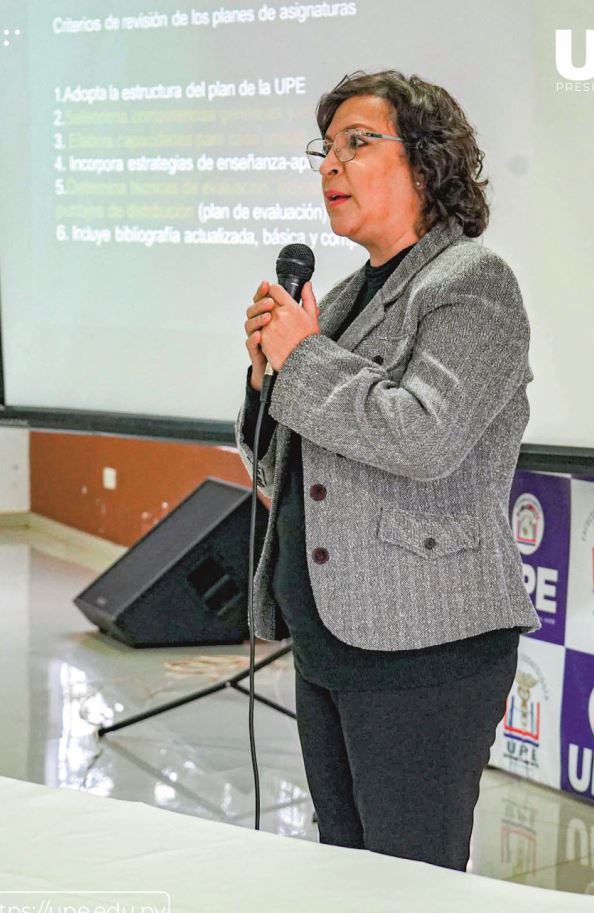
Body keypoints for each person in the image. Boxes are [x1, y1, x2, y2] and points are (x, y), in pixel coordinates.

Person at [234, 69, 541, 872]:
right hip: (331, 637)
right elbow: (277, 464)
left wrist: (299, 358)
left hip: (423, 643)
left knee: (413, 887)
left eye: (357, 144)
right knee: (349, 875)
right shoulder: (337, 298)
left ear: (428, 164)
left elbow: (423, 438)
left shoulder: (471, 284)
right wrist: (266, 379)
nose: (329, 165)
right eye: (324, 149)